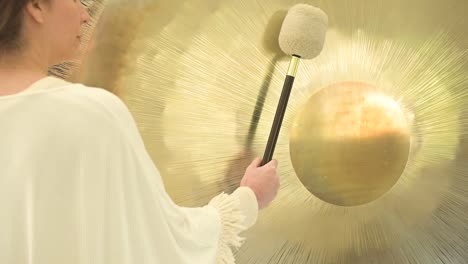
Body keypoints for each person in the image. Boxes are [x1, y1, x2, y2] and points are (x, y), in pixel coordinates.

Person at [0, 1, 280, 264]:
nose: (85, 15)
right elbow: (160, 241)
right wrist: (249, 198)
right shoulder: (90, 113)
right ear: (35, 6)